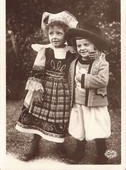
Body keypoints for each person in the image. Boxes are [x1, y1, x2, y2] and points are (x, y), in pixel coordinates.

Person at [16, 11, 78, 161]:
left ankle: (59, 144)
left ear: (66, 35)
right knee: (37, 114)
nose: (54, 36)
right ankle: (34, 145)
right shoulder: (45, 50)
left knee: (60, 117)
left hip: (63, 90)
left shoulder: (71, 52)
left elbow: (74, 70)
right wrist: (36, 90)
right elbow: (37, 70)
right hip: (45, 88)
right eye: (51, 33)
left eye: (59, 33)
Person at [65, 25, 111, 164]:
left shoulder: (101, 63)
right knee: (79, 125)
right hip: (78, 102)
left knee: (97, 126)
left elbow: (103, 80)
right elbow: (70, 80)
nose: (82, 48)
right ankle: (79, 150)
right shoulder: (74, 62)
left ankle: (101, 153)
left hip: (94, 103)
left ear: (95, 46)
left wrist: (84, 78)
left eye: (86, 44)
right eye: (79, 45)